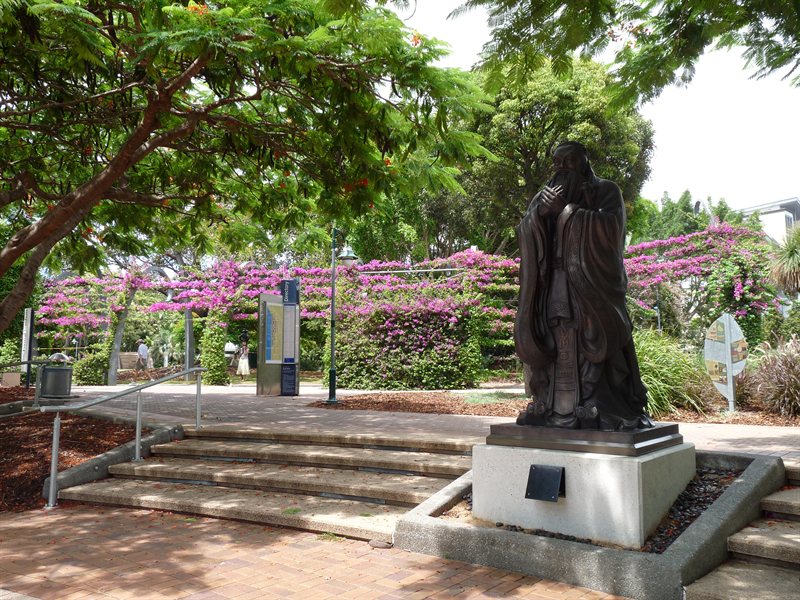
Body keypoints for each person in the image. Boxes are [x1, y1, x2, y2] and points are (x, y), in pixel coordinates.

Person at [514, 141, 652, 431]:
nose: (563, 168)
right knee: (554, 335)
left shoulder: (606, 191)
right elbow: (526, 230)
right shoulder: (544, 196)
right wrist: (539, 216)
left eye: (570, 161)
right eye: (558, 162)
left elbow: (612, 231)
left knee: (592, 340)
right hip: (553, 283)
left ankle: (599, 405)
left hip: (590, 287)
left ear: (584, 163)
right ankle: (551, 405)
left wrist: (567, 212)